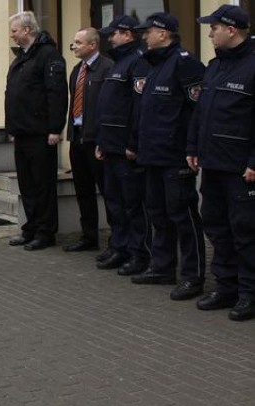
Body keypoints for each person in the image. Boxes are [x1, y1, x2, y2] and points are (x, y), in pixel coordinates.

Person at [128, 13, 206, 302]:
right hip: (152, 155)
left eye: (148, 31)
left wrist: (191, 149)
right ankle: (162, 266)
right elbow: (146, 112)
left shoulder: (184, 63)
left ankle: (192, 276)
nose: (144, 36)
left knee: (183, 217)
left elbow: (196, 111)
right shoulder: (154, 65)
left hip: (175, 158)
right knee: (158, 214)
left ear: (163, 33)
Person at [188, 5, 255, 321]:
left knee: (246, 232)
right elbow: (200, 114)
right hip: (212, 163)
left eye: (214, 27)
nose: (210, 32)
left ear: (231, 29)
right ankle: (226, 288)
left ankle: (249, 293)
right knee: (216, 227)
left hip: (241, 169)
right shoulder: (214, 67)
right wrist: (192, 148)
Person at [4, 11, 68, 250]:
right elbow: (13, 94)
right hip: (21, 132)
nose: (12, 34)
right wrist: (12, 128)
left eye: (14, 30)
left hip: (41, 133)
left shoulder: (48, 55)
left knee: (43, 185)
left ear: (27, 30)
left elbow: (56, 93)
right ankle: (30, 228)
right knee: (27, 185)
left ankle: (45, 232)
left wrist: (54, 128)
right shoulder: (21, 57)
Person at [95, 16, 153, 275]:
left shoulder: (138, 61)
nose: (110, 38)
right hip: (110, 146)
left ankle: (139, 253)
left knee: (133, 204)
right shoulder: (120, 62)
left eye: (114, 34)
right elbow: (109, 107)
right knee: (115, 202)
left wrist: (133, 143)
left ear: (128, 35)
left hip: (126, 149)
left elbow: (137, 108)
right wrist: (101, 142)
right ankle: (120, 247)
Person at [62, 27, 114, 255]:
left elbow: (108, 107)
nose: (73, 46)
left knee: (108, 191)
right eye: (74, 42)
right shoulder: (77, 70)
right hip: (77, 137)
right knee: (83, 190)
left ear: (93, 45)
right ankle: (89, 236)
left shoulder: (107, 68)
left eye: (78, 42)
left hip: (97, 140)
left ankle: (117, 240)